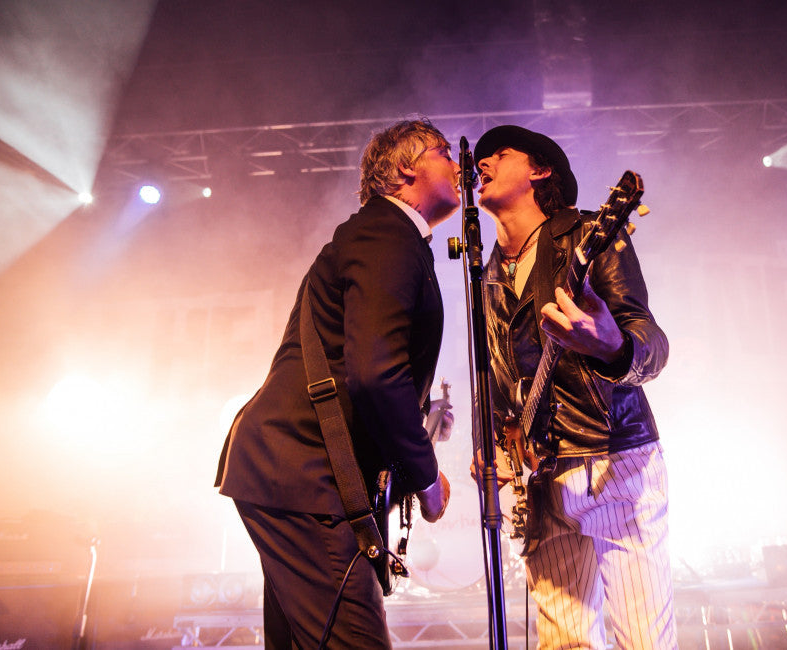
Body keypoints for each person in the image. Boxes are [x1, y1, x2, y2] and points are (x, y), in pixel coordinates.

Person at [215, 118, 456, 649]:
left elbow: (363, 374)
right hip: (305, 476)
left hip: (294, 474)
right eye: (444, 151)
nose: (459, 165)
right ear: (405, 168)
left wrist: (422, 425)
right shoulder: (387, 233)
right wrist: (425, 475)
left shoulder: (384, 237)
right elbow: (374, 375)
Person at [472, 125, 675, 648]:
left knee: (644, 639)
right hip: (538, 476)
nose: (483, 161)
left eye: (501, 152)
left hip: (613, 459)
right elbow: (499, 377)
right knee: (564, 643)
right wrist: (496, 443)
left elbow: (650, 342)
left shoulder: (587, 236)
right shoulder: (487, 271)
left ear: (540, 170)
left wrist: (611, 346)